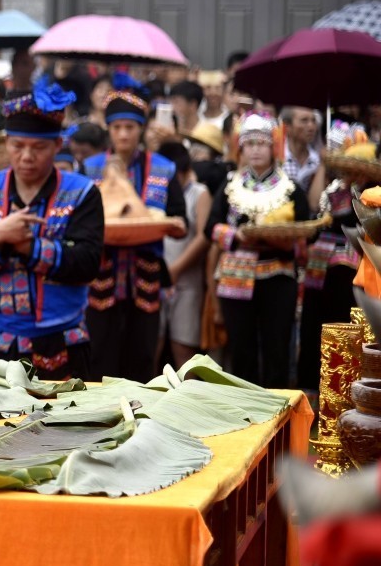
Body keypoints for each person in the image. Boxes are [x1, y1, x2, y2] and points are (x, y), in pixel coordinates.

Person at [0, 78, 105, 379]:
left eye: (39, 147)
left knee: (61, 425)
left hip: (61, 341)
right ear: (6, 142)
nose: (26, 156)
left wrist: (29, 247)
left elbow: (88, 262)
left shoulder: (83, 193)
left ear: (58, 145)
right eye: (17, 146)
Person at [82, 79, 188, 382]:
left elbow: (180, 219)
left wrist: (174, 225)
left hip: (146, 272)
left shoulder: (163, 168)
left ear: (141, 129)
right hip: (102, 273)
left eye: (130, 127)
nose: (124, 134)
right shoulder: (89, 168)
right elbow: (79, 219)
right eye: (117, 128)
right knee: (100, 349)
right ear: (109, 130)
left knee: (142, 352)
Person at [206, 114, 309, 388]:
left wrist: (286, 240)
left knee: (277, 351)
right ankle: (246, 416)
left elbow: (307, 230)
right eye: (249, 143)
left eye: (261, 143)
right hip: (236, 280)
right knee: (241, 352)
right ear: (241, 148)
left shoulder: (290, 189)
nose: (255, 149)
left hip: (278, 277)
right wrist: (235, 235)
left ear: (273, 147)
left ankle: (280, 418)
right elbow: (210, 228)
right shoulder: (230, 187)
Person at [298, 122, 370, 392]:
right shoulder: (333, 189)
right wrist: (323, 167)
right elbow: (316, 207)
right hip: (320, 270)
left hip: (352, 269)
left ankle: (342, 392)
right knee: (314, 329)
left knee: (344, 329)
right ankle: (312, 393)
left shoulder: (372, 190)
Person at [158, 142, 212, 367]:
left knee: (183, 350)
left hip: (187, 280)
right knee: (153, 345)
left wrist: (176, 269)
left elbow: (203, 237)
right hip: (159, 278)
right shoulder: (156, 189)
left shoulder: (200, 193)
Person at [281, 106, 322, 190]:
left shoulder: (317, 161)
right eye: (304, 120)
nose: (311, 127)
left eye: (313, 121)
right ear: (287, 126)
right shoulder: (276, 158)